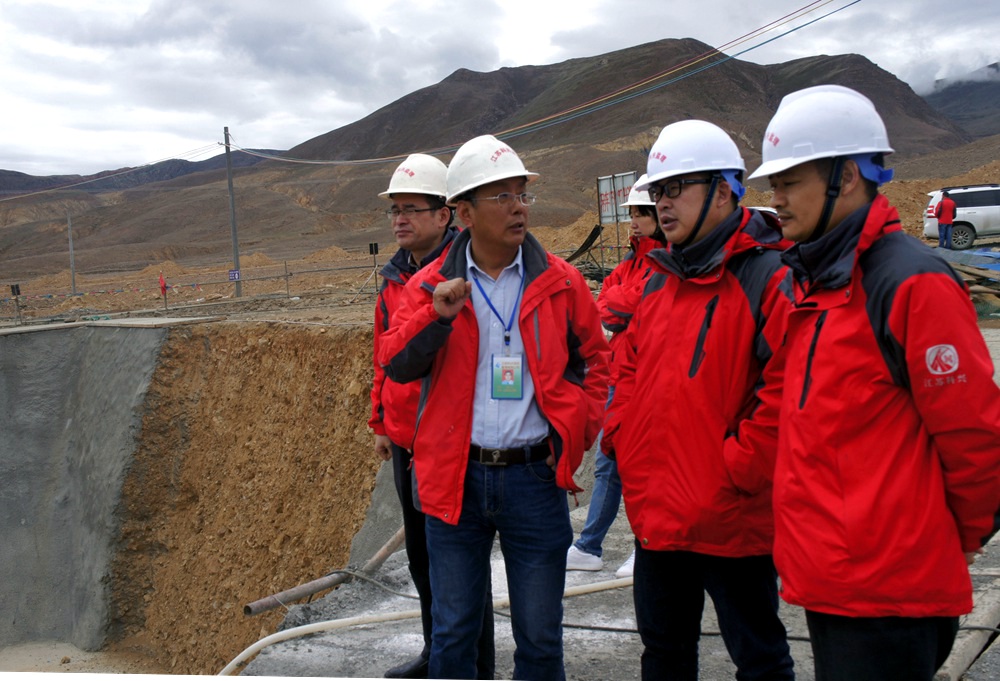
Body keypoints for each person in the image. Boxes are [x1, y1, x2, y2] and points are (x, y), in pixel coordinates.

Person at [729, 84, 1000, 681]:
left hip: (889, 591)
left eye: (789, 182)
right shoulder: (817, 281)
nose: (775, 200)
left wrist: (959, 536)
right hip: (835, 579)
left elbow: (975, 435)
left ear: (846, 177)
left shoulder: (909, 283)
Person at [379, 134, 611, 680]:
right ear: (464, 213)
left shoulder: (560, 281)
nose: (518, 207)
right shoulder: (429, 286)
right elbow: (395, 363)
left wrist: (575, 432)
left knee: (541, 638)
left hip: (534, 480)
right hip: (455, 480)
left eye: (522, 195)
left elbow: (597, 363)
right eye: (502, 196)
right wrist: (434, 317)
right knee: (454, 635)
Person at [601, 120, 795, 681]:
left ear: (726, 189)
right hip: (658, 513)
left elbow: (785, 391)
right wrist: (624, 439)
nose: (662, 203)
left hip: (732, 518)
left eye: (677, 188)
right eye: (657, 191)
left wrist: (738, 467)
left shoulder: (770, 276)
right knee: (663, 655)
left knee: (760, 660)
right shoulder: (661, 279)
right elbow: (627, 365)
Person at [368, 153, 494, 679]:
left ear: (444, 215)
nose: (399, 219)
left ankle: (475, 664)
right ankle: (434, 652)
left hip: (446, 442)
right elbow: (384, 354)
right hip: (406, 440)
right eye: (394, 210)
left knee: (459, 565)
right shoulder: (394, 278)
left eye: (410, 209)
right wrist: (381, 421)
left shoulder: (462, 273)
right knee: (422, 558)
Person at [566, 175, 663, 579]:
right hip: (618, 378)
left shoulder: (666, 263)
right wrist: (620, 302)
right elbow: (606, 306)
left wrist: (620, 302)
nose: (634, 221)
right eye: (633, 213)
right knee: (609, 463)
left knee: (645, 466)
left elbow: (631, 303)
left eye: (642, 213)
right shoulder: (629, 264)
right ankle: (589, 546)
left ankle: (648, 545)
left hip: (649, 379)